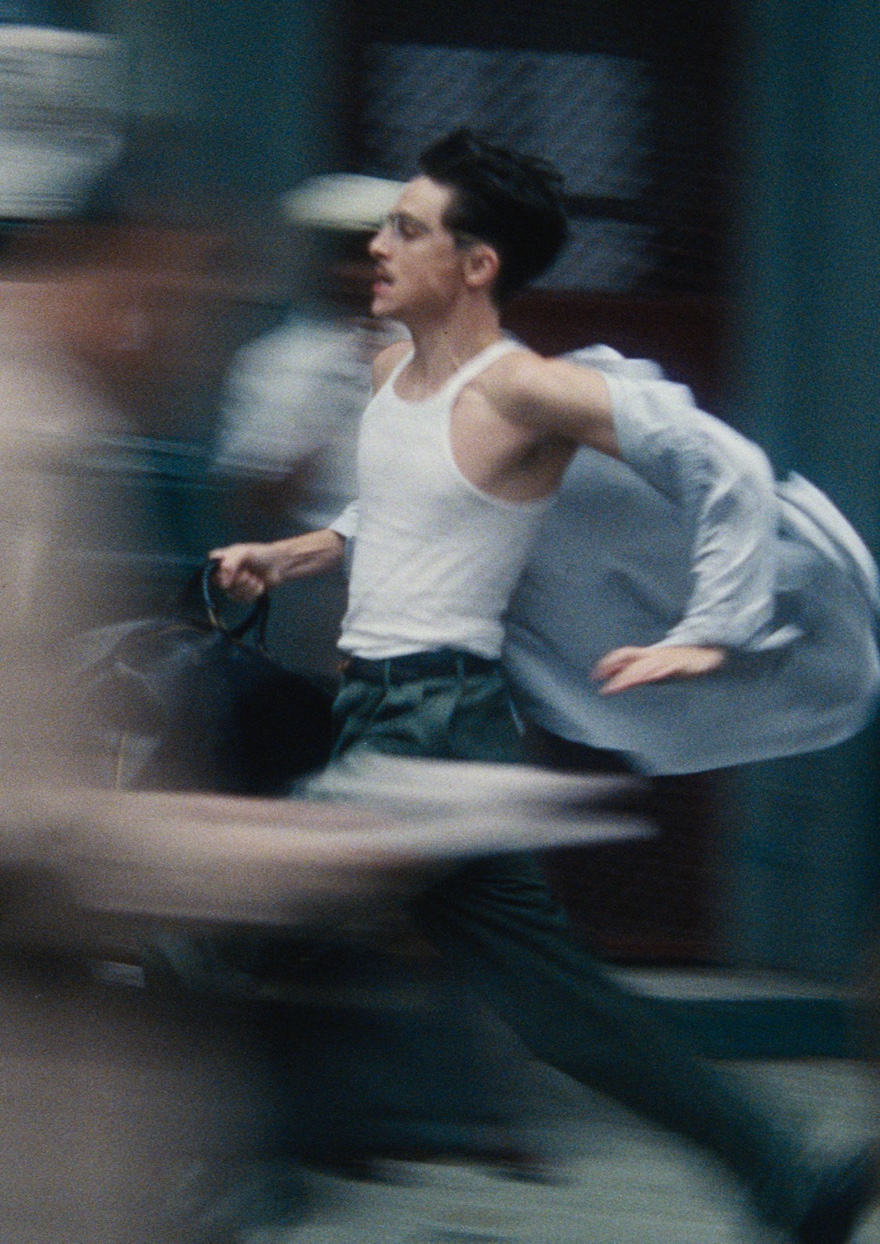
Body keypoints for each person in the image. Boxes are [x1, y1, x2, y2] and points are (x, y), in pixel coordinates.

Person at [211, 129, 875, 1242]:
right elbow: (403, 507)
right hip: (381, 704)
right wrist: (298, 552)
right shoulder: (388, 378)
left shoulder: (524, 387)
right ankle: (784, 1173)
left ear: (475, 264)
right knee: (555, 1005)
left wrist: (711, 626)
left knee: (224, 904)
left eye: (404, 229)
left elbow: (717, 467)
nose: (375, 246)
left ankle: (211, 1166)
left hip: (435, 721)